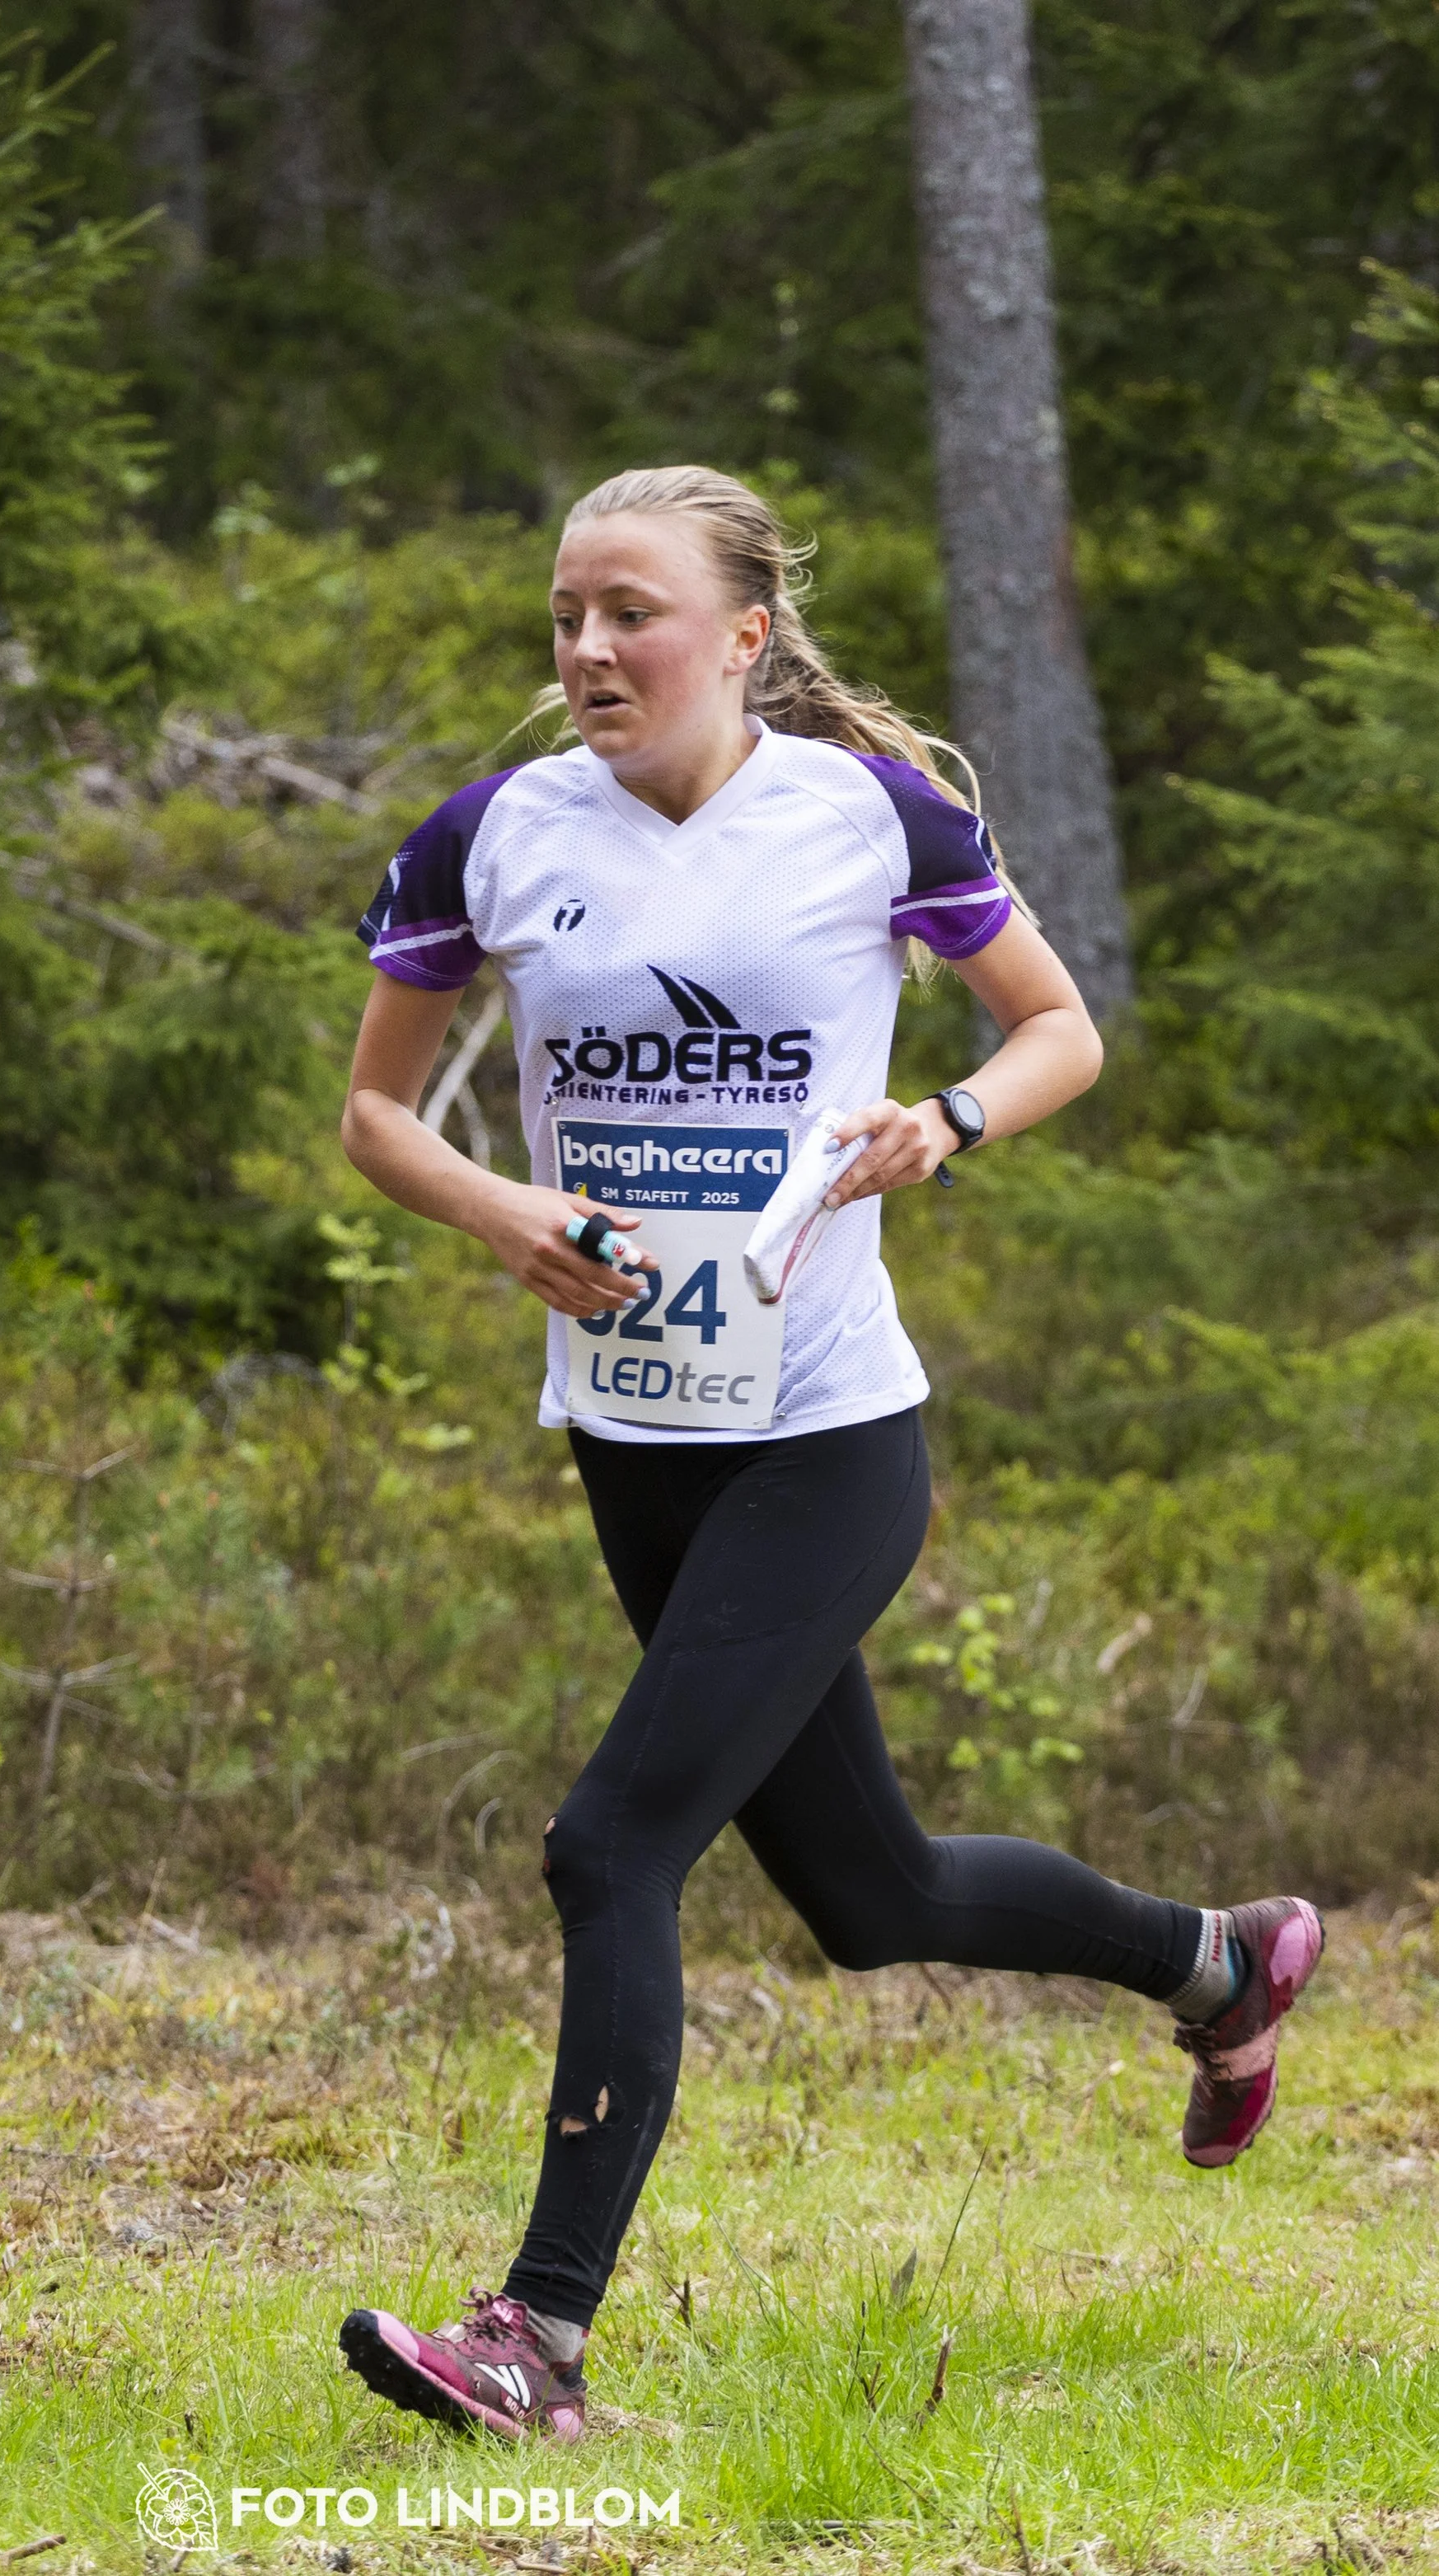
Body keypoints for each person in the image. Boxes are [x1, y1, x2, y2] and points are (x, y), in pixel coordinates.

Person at [332, 466, 1321, 2447]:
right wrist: (499, 1214)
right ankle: (1216, 1962)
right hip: (635, 1431)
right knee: (868, 1893)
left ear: (743, 634)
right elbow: (375, 1112)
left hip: (828, 1431)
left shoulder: (865, 811)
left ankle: (536, 2339)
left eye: (631, 611)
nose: (588, 650)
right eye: (563, 616)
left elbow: (1055, 1027)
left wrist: (940, 1122)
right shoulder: (498, 831)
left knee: (608, 1845)